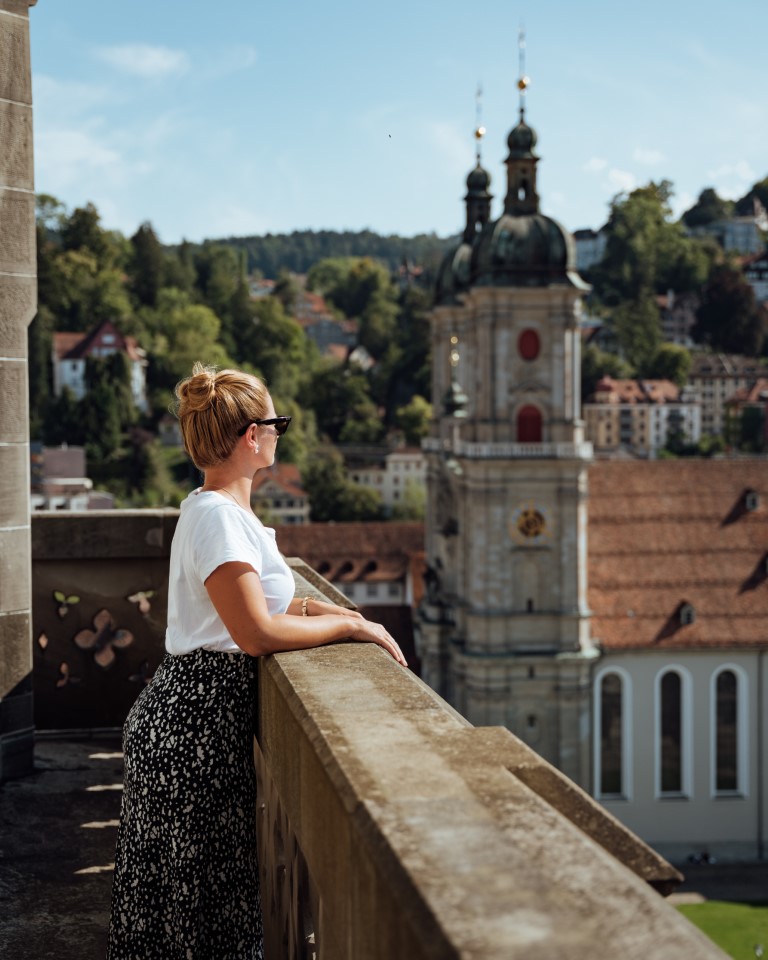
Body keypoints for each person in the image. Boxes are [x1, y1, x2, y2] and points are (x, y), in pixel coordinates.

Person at [107, 363, 406, 959]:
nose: (278, 435)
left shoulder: (223, 512)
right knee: (196, 910)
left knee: (190, 906)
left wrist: (318, 604)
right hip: (192, 725)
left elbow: (262, 602)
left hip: (196, 721)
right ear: (251, 435)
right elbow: (253, 633)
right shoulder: (217, 516)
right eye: (277, 424)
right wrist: (351, 623)